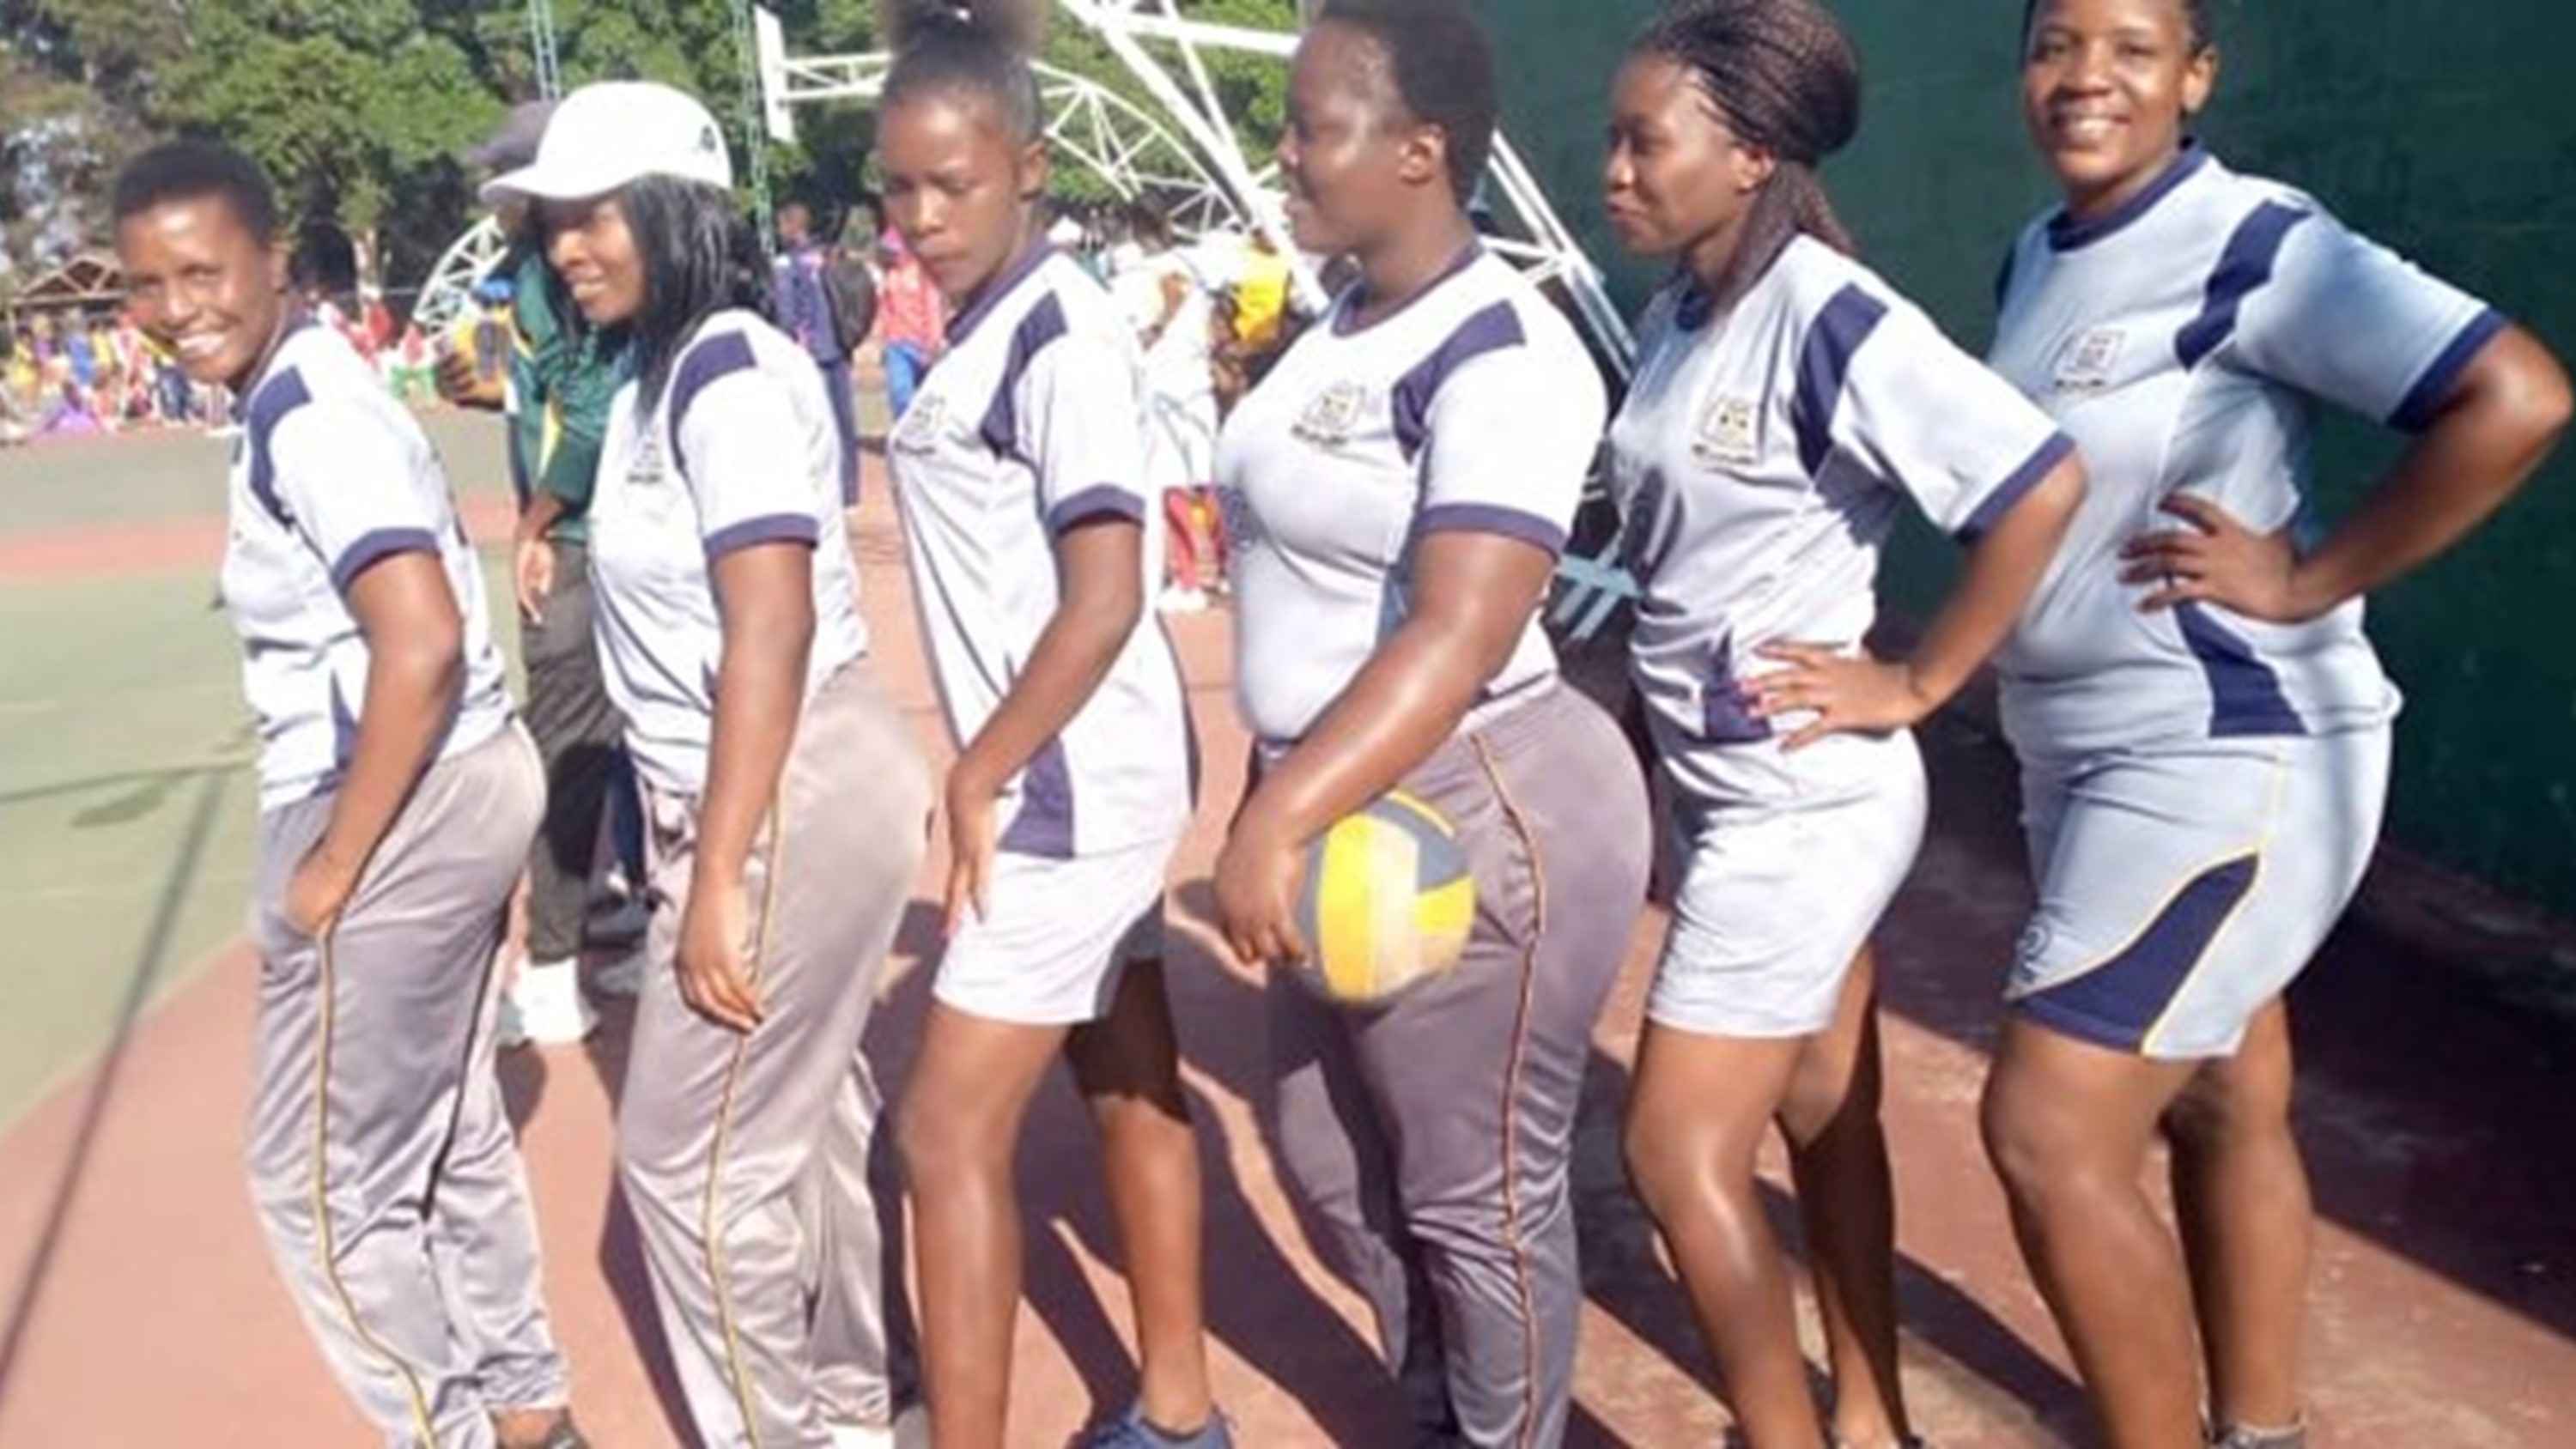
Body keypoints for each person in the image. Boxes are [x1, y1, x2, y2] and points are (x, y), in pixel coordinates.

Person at [1978, 4, 2573, 1447]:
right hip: (2083, 744)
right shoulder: (2037, 252)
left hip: (2220, 745)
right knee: (2225, 1093)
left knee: (2049, 1127)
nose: (2086, 78)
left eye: (2131, 48)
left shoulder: (2257, 240)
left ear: (2196, 76)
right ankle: (2263, 1431)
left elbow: (2517, 394)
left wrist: (2309, 578)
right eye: (2057, 45)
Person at [1595, 4, 2087, 1446]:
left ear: (1752, 155)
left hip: (1804, 797)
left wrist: (1919, 682)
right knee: (1822, 1105)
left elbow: (2037, 482)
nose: (1614, 170)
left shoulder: (1828, 314)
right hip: (1716, 783)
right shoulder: (1679, 314)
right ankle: (1869, 1414)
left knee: (1674, 1151)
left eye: (1645, 143)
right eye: (1613, 139)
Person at [1210, 3, 1651, 1443]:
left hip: (1472, 793)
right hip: (1334, 792)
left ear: (1422, 149)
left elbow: (1460, 630)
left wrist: (1278, 812)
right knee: (1333, 1159)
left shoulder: (1505, 349)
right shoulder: (1337, 321)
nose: (1287, 154)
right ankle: (1440, 1413)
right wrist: (1278, 785)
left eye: (1314, 126)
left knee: (1476, 1190)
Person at [111, 139, 580, 1449]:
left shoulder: (310, 414)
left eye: (204, 272)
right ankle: (528, 1411)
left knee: (316, 1186)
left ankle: (452, 1430)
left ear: (275, 262)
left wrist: (331, 869)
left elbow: (417, 639)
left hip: (387, 796)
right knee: (448, 1134)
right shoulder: (304, 393)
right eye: (148, 284)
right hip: (457, 780)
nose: (177, 307)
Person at [487, 80, 933, 1449]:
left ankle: (785, 1426)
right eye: (553, 224)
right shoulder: (653, 372)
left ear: (678, 212)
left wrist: (721, 873)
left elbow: (771, 622)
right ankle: (861, 1407)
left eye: (595, 215)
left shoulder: (725, 371)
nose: (567, 247)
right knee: (810, 1116)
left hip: (782, 780)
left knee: (684, 1167)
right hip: (766, 781)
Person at [871, 6, 1224, 1446]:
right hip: (1080, 770)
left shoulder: (1057, 338)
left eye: (953, 184)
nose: (923, 217)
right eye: (899, 187)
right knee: (1127, 1073)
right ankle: (1182, 1411)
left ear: (1029, 167)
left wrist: (980, 770)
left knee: (942, 1131)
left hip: (1069, 787)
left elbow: (1108, 587)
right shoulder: (987, 329)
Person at [442, 100, 654, 1048]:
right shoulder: (517, 273)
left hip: (580, 531)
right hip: (592, 519)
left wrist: (537, 520)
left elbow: (592, 408)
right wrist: (471, 379)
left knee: (567, 745)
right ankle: (642, 902)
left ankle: (553, 971)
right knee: (630, 734)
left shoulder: (555, 269)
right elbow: (502, 375)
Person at [775, 199, 863, 504]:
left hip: (809, 350)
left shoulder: (787, 265)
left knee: (818, 422)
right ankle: (850, 488)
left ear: (789, 227)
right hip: (838, 344)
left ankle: (828, 488)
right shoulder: (827, 257)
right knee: (844, 419)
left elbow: (787, 312)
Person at [874, 226, 945, 421]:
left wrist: (934, 339)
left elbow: (932, 306)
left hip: (922, 343)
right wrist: (880, 336)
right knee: (900, 394)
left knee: (927, 396)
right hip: (897, 342)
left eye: (895, 250)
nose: (893, 255)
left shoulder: (922, 274)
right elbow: (885, 309)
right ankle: (905, 429)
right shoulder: (890, 276)